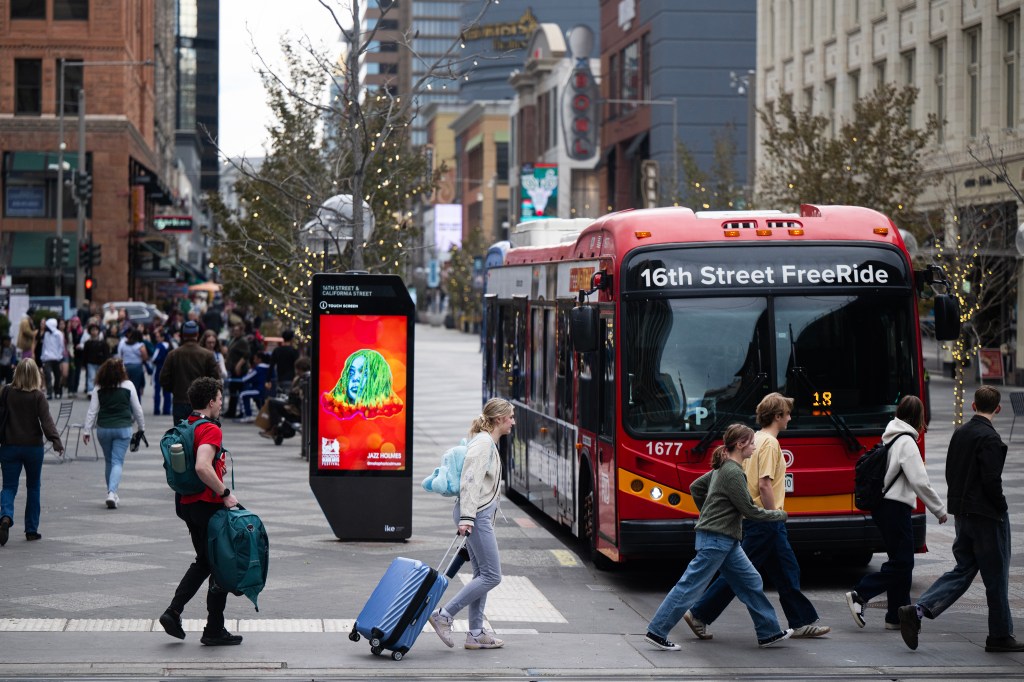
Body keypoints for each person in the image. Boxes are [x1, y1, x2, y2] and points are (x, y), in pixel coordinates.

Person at [686, 394, 830, 640]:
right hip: (764, 519)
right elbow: (765, 484)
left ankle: (801, 621)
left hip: (755, 518)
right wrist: (774, 516)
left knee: (786, 569)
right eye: (787, 414)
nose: (790, 418)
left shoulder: (755, 438)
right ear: (777, 416)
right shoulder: (771, 444)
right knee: (741, 574)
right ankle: (700, 613)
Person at [642, 423, 793, 650]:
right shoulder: (733, 473)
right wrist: (779, 514)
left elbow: (695, 487)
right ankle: (657, 631)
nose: (754, 446)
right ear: (740, 445)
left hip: (726, 540)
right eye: (751, 442)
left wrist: (709, 514)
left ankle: (768, 632)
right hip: (716, 540)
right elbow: (750, 510)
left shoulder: (722, 469)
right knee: (689, 586)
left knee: (751, 580)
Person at [897, 386, 1021, 652]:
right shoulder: (990, 438)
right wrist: (1000, 507)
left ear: (973, 406)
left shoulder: (960, 434)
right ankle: (1000, 635)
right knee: (996, 576)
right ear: (997, 409)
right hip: (987, 516)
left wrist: (955, 506)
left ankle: (918, 610)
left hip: (963, 514)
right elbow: (991, 481)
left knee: (963, 569)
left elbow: (951, 472)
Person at [845, 395, 947, 632]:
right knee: (903, 562)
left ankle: (896, 615)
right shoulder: (907, 442)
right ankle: (860, 594)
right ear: (918, 417)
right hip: (895, 508)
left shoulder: (892, 436)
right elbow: (920, 482)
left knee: (899, 562)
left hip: (884, 507)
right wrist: (939, 510)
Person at [158, 376, 243, 646]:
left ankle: (181, 614)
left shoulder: (188, 424)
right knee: (218, 564)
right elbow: (201, 467)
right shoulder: (210, 429)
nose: (221, 404)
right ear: (210, 401)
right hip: (208, 507)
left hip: (187, 504)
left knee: (206, 561)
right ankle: (210, 627)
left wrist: (218, 469)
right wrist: (226, 493)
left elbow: (203, 464)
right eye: (219, 399)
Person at [429, 398, 514, 650]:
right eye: (510, 417)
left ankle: (475, 632)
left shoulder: (487, 442)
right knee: (492, 576)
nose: (513, 422)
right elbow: (470, 481)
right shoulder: (484, 443)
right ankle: (444, 615)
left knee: (482, 575)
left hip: (477, 515)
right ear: (499, 419)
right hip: (476, 516)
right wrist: (467, 518)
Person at [0, 359, 64, 545]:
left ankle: (5, 516)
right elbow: (46, 421)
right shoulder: (38, 396)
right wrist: (56, 441)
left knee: (9, 487)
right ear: (36, 374)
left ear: (17, 372)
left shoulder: (5, 392)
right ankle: (31, 530)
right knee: (33, 487)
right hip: (33, 448)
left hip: (9, 446)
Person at [82, 358, 146, 509]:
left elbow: (92, 410)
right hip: (123, 428)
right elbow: (137, 409)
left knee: (109, 461)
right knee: (117, 461)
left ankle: (111, 492)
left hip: (103, 428)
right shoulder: (128, 385)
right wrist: (141, 427)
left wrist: (87, 430)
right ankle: (112, 492)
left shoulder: (99, 386)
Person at [160, 321, 220, 425]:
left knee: (181, 436)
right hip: (202, 404)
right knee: (201, 436)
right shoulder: (207, 355)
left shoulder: (173, 355)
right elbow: (215, 380)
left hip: (180, 401)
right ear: (197, 335)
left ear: (183, 335)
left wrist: (175, 389)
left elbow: (163, 379)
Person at [260, 357, 310, 444]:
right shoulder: (306, 377)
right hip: (299, 408)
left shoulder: (304, 378)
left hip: (297, 409)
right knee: (275, 403)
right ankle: (278, 429)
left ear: (300, 368)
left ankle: (274, 428)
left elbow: (296, 395)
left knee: (271, 402)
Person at [224, 322, 250, 418]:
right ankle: (231, 411)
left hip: (240, 370)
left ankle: (237, 411)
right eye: (234, 330)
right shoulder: (234, 339)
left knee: (237, 390)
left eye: (237, 330)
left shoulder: (243, 341)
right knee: (233, 390)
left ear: (241, 331)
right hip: (232, 368)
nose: (235, 332)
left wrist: (238, 365)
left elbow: (246, 354)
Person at [236, 351, 271, 423]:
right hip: (267, 391)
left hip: (259, 390)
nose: (254, 361)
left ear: (260, 360)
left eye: (255, 359)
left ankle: (247, 415)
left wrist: (249, 373)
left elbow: (246, 379)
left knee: (243, 394)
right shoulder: (270, 368)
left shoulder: (258, 369)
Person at [117, 327, 149, 399]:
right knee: (136, 387)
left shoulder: (124, 344)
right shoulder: (140, 345)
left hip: (126, 366)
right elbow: (145, 357)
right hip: (137, 367)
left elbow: (121, 355)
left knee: (126, 386)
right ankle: (136, 405)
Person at [39, 318, 66, 400]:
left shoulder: (58, 334)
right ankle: (49, 392)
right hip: (47, 358)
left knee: (57, 376)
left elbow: (61, 346)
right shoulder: (46, 334)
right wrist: (43, 356)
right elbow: (44, 346)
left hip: (56, 358)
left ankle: (57, 391)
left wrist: (59, 356)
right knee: (48, 375)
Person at [150, 327, 173, 416]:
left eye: (158, 336)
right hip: (168, 370)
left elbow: (154, 358)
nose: (157, 338)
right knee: (167, 391)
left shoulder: (159, 346)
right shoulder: (170, 346)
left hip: (159, 369)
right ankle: (166, 409)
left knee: (157, 390)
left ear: (162, 337)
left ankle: (157, 409)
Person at [81, 323, 110, 394]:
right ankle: (90, 390)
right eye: (92, 330)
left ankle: (101, 389)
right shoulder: (88, 343)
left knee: (100, 377)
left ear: (98, 331)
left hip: (101, 362)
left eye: (96, 330)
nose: (94, 332)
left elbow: (106, 353)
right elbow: (85, 354)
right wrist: (84, 363)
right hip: (90, 362)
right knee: (91, 377)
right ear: (90, 331)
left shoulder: (103, 342)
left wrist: (106, 362)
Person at [268, 329, 299, 393]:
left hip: (279, 379)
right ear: (291, 339)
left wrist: (268, 380)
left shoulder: (277, 350)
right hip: (291, 379)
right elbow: (298, 365)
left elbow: (271, 365)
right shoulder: (294, 351)